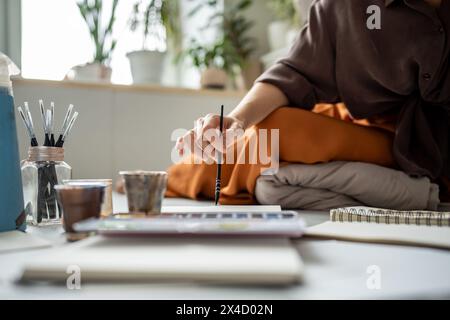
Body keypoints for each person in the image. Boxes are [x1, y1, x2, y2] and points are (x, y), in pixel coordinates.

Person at [171, 0, 449, 203]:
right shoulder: (343, 7)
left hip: (415, 140)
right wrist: (237, 120)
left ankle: (240, 180)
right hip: (367, 124)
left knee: (275, 133)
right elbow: (294, 72)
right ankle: (165, 179)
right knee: (262, 131)